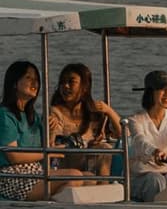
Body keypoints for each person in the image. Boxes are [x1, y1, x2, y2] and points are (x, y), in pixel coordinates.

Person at [47, 62, 121, 179]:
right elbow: (53, 146)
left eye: (71, 82)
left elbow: (123, 135)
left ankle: (104, 186)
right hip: (65, 165)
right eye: (62, 82)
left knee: (104, 148)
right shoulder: (56, 113)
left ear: (85, 87)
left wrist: (109, 111)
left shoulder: (93, 113)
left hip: (89, 165)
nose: (65, 86)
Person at [126, 71, 167, 201]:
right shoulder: (135, 120)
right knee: (155, 180)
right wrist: (154, 151)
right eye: (162, 90)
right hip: (141, 175)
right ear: (150, 93)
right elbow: (140, 140)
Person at [0, 59, 45, 199]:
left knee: (88, 177)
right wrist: (49, 154)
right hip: (11, 176)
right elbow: (14, 156)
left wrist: (54, 130)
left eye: (37, 79)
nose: (35, 83)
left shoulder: (34, 117)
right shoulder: (5, 114)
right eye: (28, 78)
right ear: (14, 83)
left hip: (36, 171)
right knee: (74, 177)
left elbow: (46, 147)